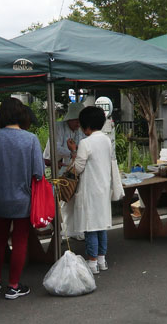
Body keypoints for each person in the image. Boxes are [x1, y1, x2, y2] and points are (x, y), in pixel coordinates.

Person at [0, 97, 44, 300]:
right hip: (23, 199)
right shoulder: (31, 139)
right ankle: (14, 286)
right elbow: (39, 173)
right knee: (19, 241)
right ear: (21, 115)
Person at [66, 106, 114, 274]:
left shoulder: (86, 143)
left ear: (86, 125)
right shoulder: (106, 140)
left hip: (90, 189)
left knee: (90, 226)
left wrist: (73, 151)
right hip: (103, 187)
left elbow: (78, 168)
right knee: (101, 225)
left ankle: (92, 263)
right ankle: (102, 260)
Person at [43, 102, 86, 173]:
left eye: (80, 121)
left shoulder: (80, 130)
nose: (78, 123)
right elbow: (54, 148)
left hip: (69, 168)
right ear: (70, 118)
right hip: (52, 165)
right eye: (76, 120)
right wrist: (71, 152)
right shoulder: (58, 127)